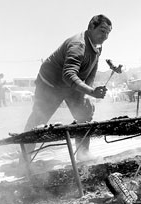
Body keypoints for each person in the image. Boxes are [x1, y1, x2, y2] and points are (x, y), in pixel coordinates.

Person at [23, 14, 112, 162]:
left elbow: (92, 68)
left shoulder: (97, 46)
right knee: (38, 121)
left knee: (85, 113)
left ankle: (83, 154)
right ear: (91, 27)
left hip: (70, 86)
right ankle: (24, 162)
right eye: (102, 31)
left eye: (108, 32)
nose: (106, 36)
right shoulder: (78, 45)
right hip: (50, 84)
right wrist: (91, 92)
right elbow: (68, 75)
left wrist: (88, 94)